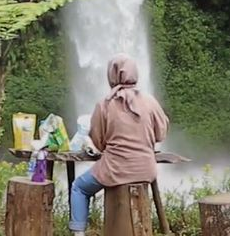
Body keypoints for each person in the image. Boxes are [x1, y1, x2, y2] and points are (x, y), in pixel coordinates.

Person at [69, 53, 169, 235]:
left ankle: (78, 232)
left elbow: (97, 140)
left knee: (79, 188)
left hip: (115, 169)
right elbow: (161, 133)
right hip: (146, 170)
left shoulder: (104, 104)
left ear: (111, 75)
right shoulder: (150, 101)